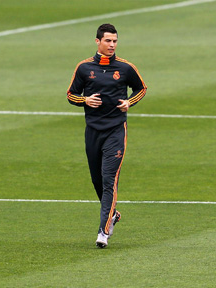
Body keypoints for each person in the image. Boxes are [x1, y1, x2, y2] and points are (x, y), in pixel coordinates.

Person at [66, 23, 147, 248]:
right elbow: (71, 94)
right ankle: (113, 214)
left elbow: (141, 88)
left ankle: (103, 232)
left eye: (115, 41)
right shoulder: (84, 67)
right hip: (92, 131)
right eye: (108, 41)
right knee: (96, 180)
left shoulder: (126, 68)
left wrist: (128, 102)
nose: (112, 45)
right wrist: (86, 100)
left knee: (109, 179)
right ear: (98, 42)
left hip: (115, 130)